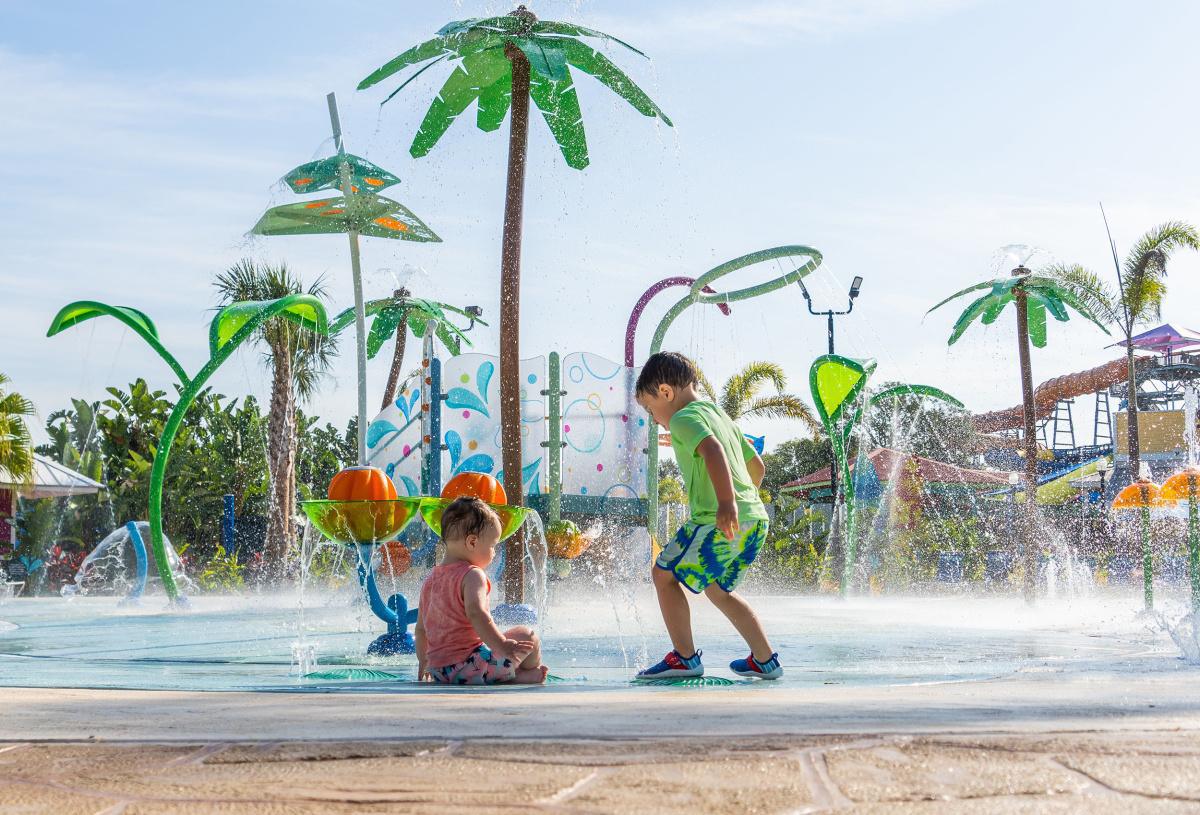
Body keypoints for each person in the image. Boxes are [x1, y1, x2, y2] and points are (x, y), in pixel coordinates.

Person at [634, 351, 782, 680]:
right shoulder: (719, 416)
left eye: (650, 408)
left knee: (663, 576)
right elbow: (757, 466)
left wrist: (727, 505)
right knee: (717, 589)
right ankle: (765, 659)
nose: (654, 418)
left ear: (665, 393)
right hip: (755, 518)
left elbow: (712, 451)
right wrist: (743, 504)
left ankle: (685, 658)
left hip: (715, 516)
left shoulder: (682, 418)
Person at [415, 497, 548, 685]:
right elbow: (477, 613)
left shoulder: (431, 579)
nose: (494, 552)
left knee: (496, 644)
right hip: (470, 667)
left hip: (440, 671)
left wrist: (424, 661)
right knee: (527, 635)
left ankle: (506, 673)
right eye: (493, 545)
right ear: (472, 543)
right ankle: (523, 673)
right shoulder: (472, 575)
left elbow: (421, 629)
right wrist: (500, 645)